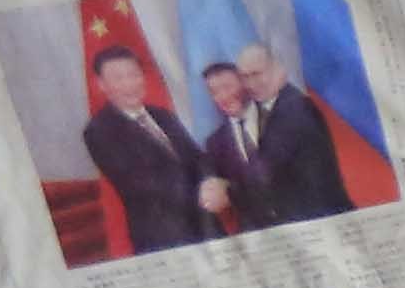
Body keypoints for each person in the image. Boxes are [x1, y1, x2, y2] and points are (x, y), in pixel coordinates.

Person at [74, 41, 215, 255]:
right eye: (119, 78)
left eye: (133, 74)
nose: (130, 84)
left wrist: (212, 181)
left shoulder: (163, 115)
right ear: (101, 85)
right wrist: (205, 192)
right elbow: (143, 184)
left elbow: (198, 158)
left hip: (207, 226)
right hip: (165, 237)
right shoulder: (99, 131)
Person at [216, 42, 348, 228]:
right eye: (244, 77)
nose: (250, 84)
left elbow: (269, 173)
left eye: (257, 74)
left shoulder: (295, 108)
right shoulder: (266, 109)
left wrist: (226, 191)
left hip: (323, 224)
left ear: (277, 69)